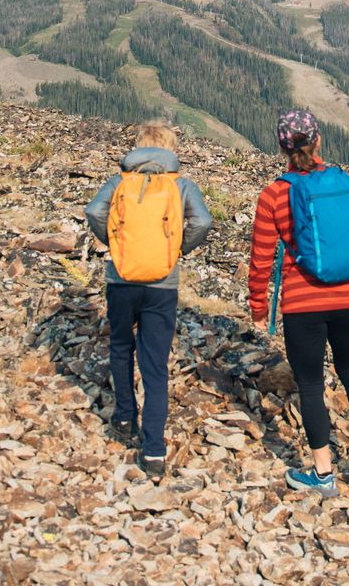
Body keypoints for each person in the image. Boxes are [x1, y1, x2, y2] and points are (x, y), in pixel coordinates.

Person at [248, 110, 349, 496]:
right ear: (319, 141)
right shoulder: (347, 181)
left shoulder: (274, 194)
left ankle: (323, 474)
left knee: (310, 384)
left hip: (303, 303)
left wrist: (257, 307)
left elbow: (261, 258)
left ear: (283, 147)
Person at [83, 120, 215, 480]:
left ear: (138, 148)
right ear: (171, 150)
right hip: (162, 283)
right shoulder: (181, 185)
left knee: (122, 346)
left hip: (121, 278)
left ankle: (124, 416)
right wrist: (176, 251)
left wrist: (115, 245)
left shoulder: (120, 182)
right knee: (155, 363)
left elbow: (93, 212)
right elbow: (202, 222)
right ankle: (154, 450)